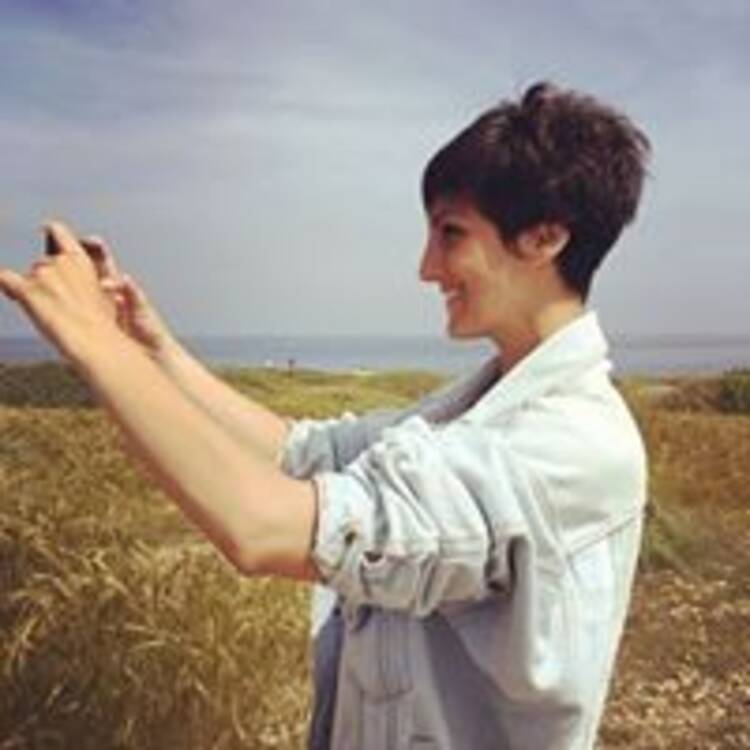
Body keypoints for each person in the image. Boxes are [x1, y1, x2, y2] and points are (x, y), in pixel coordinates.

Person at [0, 81, 651, 749]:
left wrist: (94, 343)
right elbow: (304, 452)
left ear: (544, 237)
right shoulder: (486, 405)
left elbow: (261, 526)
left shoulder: (565, 448)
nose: (427, 267)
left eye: (451, 232)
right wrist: (151, 349)